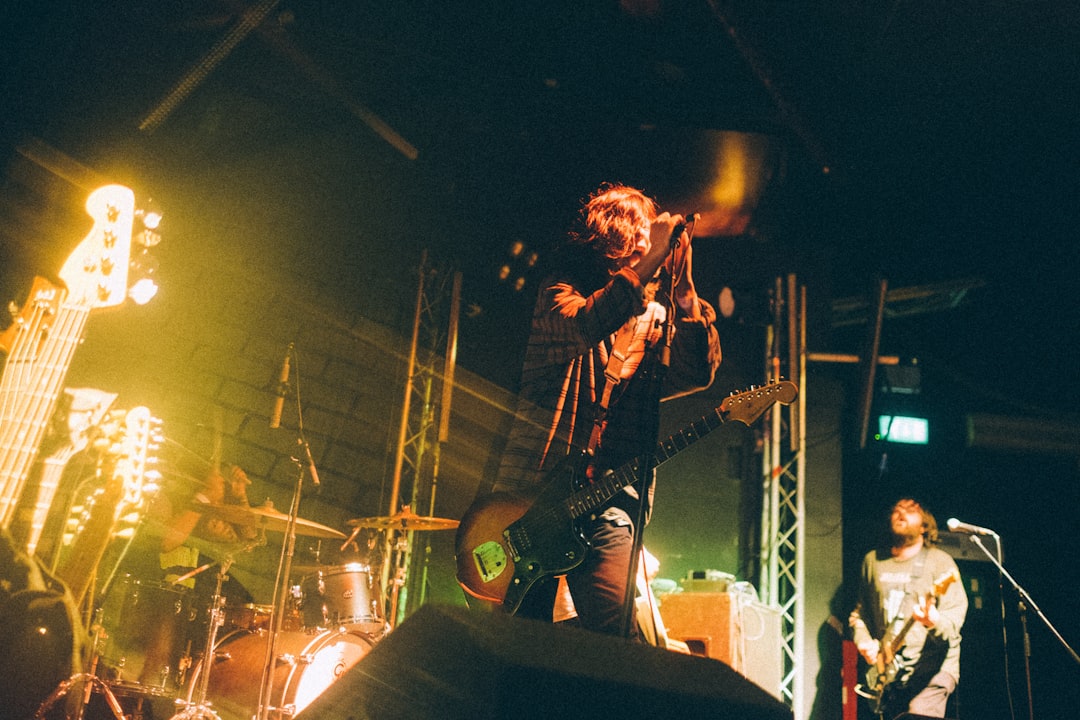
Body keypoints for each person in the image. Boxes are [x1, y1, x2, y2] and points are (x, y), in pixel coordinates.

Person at [492, 182, 721, 636]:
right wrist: (649, 260)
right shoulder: (560, 294)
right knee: (523, 638)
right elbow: (585, 327)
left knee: (614, 636)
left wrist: (686, 297)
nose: (650, 248)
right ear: (612, 238)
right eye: (641, 237)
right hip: (534, 498)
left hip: (611, 499)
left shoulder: (654, 320)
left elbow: (698, 373)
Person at [849, 498, 969, 719]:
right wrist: (864, 642)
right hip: (888, 675)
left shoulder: (941, 563)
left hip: (931, 670)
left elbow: (953, 622)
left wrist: (933, 621)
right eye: (896, 509)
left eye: (911, 510)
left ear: (925, 525)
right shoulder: (873, 561)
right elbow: (859, 615)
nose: (901, 513)